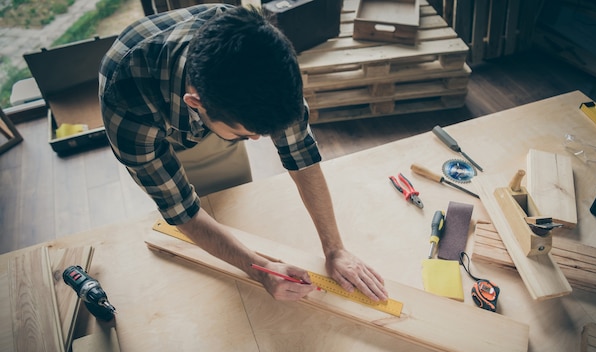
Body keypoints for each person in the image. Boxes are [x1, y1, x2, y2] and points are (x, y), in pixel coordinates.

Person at [99, 4, 387, 302]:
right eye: (245, 134)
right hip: (156, 121)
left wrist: (334, 248)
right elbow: (183, 211)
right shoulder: (125, 104)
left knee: (238, 210)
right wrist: (261, 269)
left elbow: (300, 154)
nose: (257, 139)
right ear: (195, 104)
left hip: (215, 108)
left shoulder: (263, 55)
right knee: (204, 233)